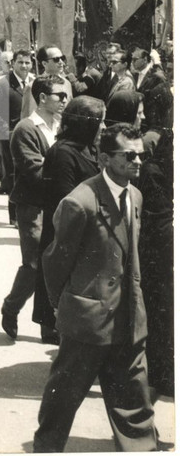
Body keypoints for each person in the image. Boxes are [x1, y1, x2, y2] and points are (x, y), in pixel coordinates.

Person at [33, 124, 159, 452]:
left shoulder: (135, 196)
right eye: (128, 155)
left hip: (128, 318)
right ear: (104, 158)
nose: (137, 162)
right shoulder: (80, 202)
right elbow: (55, 260)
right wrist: (64, 305)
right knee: (63, 400)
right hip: (88, 322)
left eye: (140, 155)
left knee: (134, 403)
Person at [33, 96, 104, 345]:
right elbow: (65, 196)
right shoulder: (63, 152)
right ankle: (51, 326)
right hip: (64, 229)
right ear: (86, 124)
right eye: (100, 122)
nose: (103, 127)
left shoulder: (89, 148)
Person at [2, 76, 68, 341]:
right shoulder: (26, 129)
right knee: (33, 264)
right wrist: (63, 172)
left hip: (56, 206)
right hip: (33, 206)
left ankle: (48, 324)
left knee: (52, 265)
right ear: (42, 98)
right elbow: (34, 170)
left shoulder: (61, 126)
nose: (64, 100)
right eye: (59, 96)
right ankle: (11, 307)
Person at [136, 123, 173, 398]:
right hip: (158, 255)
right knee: (161, 316)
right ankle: (160, 375)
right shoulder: (152, 171)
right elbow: (159, 218)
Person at [0, 49, 33, 199]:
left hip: (29, 133)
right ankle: (12, 202)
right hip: (8, 133)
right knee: (10, 169)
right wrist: (6, 130)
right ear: (13, 63)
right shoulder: (2, 83)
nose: (24, 66)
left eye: (27, 62)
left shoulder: (34, 83)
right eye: (20, 62)